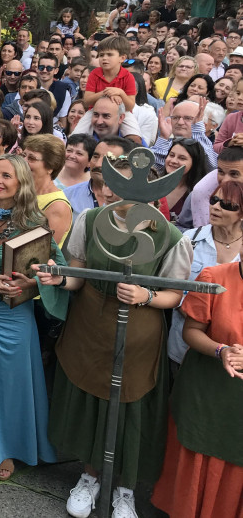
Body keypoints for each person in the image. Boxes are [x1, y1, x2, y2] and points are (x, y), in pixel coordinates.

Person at [37, 156, 193, 518]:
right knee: (91, 399)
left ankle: (125, 488)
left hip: (139, 329)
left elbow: (175, 293)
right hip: (90, 322)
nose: (110, 190)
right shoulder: (90, 221)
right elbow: (78, 274)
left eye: (120, 185)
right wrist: (59, 278)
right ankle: (89, 475)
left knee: (129, 404)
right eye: (110, 183)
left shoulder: (169, 235)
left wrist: (147, 296)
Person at [0, 154, 67, 481]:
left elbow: (54, 270)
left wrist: (32, 282)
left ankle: (5, 448)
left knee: (10, 383)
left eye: (6, 176)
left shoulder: (35, 221)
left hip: (14, 315)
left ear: (21, 183)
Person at [151, 256, 243, 518]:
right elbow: (190, 331)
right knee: (197, 451)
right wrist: (221, 349)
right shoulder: (213, 276)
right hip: (206, 389)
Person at [166, 180, 243, 375]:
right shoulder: (190, 239)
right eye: (214, 200)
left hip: (234, 352)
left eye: (227, 205)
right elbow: (172, 285)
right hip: (184, 343)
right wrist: (193, 309)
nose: (216, 207)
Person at [21, 135, 72, 247]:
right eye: (23, 155)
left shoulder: (58, 205)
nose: (23, 161)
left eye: (31, 158)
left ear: (50, 167)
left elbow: (43, 249)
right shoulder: (20, 190)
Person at [152, 97, 217, 171]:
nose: (180, 122)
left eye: (188, 118)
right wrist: (163, 138)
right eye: (176, 117)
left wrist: (198, 131)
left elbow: (213, 167)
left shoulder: (206, 148)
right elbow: (152, 171)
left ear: (203, 125)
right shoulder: (166, 143)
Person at [83, 36, 136, 113]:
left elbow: (130, 106)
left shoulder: (128, 76)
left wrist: (121, 93)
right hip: (96, 111)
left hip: (122, 112)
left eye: (109, 54)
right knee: (81, 125)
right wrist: (106, 93)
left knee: (133, 125)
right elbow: (87, 101)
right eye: (101, 55)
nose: (104, 58)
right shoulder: (94, 74)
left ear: (122, 58)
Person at [162, 138, 210, 223]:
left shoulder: (199, 193)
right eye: (171, 155)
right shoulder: (153, 184)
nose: (173, 161)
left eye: (182, 158)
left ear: (195, 163)